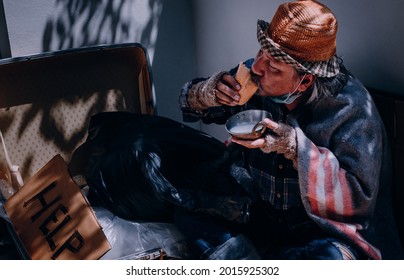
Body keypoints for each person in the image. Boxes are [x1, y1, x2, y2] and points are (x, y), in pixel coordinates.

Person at [176, 0, 403, 260]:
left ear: (305, 80)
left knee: (330, 261)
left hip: (317, 228)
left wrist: (296, 149)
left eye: (273, 66)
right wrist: (207, 94)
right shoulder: (254, 77)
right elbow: (189, 103)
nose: (258, 67)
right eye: (261, 52)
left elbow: (358, 198)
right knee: (185, 207)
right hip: (261, 211)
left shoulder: (351, 109)